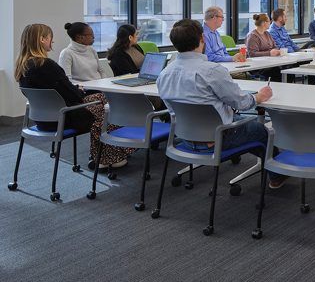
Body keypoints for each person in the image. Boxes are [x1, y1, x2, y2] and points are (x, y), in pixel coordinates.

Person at [156, 19, 283, 187]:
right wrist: (259, 97)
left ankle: (269, 166)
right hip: (217, 139)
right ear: (202, 38)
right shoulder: (212, 70)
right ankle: (276, 175)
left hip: (184, 137)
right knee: (261, 130)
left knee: (245, 126)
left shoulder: (164, 74)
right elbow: (241, 103)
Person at [15, 23, 132, 168]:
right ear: (42, 39)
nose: (52, 41)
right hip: (64, 117)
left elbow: (60, 91)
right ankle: (109, 156)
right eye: (50, 37)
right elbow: (72, 95)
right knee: (107, 104)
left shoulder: (23, 66)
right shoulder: (47, 65)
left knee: (100, 104)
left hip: (42, 120)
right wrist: (78, 90)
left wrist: (75, 90)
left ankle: (104, 155)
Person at [245, 13, 284, 82]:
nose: (270, 23)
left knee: (286, 68)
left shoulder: (267, 34)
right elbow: (252, 54)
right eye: (269, 21)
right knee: (276, 71)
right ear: (263, 23)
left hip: (269, 61)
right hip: (257, 65)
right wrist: (269, 53)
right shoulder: (253, 36)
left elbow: (275, 46)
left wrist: (276, 51)